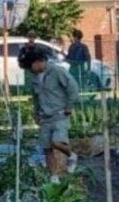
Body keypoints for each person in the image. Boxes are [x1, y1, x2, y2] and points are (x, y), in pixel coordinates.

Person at [23, 46, 79, 183]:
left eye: (31, 66)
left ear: (39, 62)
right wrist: (36, 113)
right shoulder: (35, 78)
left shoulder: (57, 71)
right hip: (45, 117)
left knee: (57, 142)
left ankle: (71, 155)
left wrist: (69, 107)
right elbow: (36, 97)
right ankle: (54, 177)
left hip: (60, 114)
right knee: (47, 147)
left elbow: (73, 87)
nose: (30, 70)